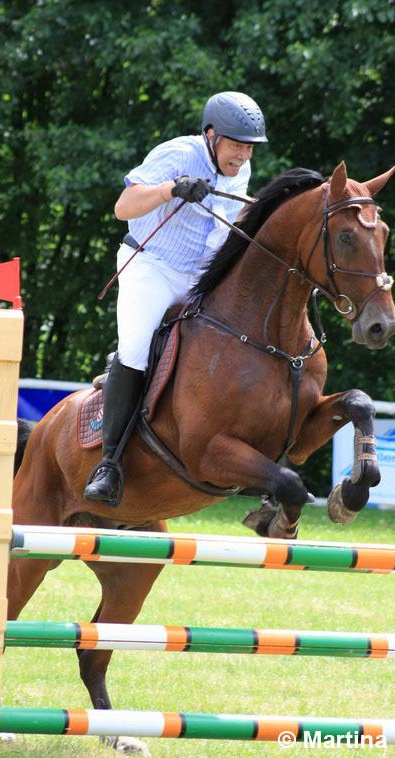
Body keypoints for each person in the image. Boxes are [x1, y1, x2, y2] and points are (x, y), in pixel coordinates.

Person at [84, 91, 268, 506]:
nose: (243, 156)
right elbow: (123, 207)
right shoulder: (179, 153)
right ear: (211, 135)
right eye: (237, 145)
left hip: (200, 275)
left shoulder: (241, 169)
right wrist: (171, 189)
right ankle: (109, 464)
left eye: (249, 148)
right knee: (135, 350)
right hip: (153, 266)